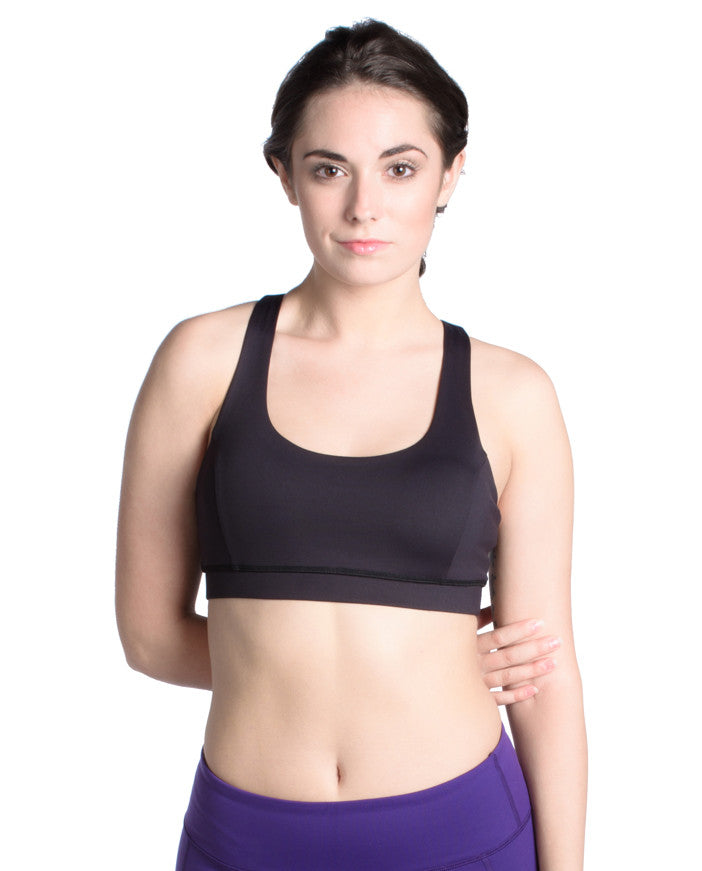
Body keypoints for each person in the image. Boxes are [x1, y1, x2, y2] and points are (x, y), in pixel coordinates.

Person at [115, 19, 586, 871]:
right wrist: (405, 665)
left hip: (462, 833)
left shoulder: (513, 394)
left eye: (400, 168)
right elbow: (148, 636)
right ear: (285, 175)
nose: (364, 206)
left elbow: (542, 673)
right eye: (329, 168)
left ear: (451, 173)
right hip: (246, 837)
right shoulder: (201, 362)